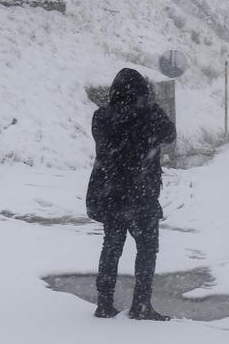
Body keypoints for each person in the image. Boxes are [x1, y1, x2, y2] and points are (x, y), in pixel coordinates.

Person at [86, 68, 176, 320]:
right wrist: (152, 107)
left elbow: (108, 145)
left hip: (111, 194)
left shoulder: (101, 117)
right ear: (142, 92)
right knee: (147, 250)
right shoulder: (149, 115)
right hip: (141, 195)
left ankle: (104, 304)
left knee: (111, 248)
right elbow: (170, 135)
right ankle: (141, 305)